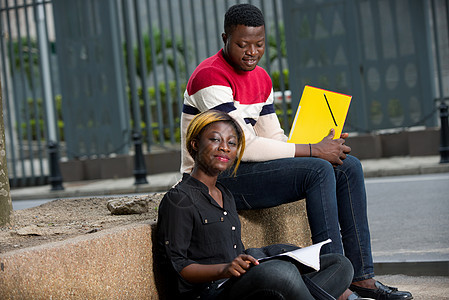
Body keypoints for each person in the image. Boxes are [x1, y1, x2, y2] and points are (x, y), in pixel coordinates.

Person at [179, 4, 413, 300]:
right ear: (224, 38)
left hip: (244, 171)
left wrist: (322, 144)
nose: (252, 52)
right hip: (214, 179)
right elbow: (244, 146)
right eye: (242, 44)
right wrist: (314, 152)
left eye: (259, 44)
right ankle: (336, 286)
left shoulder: (261, 78)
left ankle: (362, 278)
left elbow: (272, 137)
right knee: (317, 169)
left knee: (348, 165)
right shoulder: (210, 77)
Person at [157, 109, 354, 299]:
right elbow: (179, 266)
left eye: (232, 143)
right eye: (215, 139)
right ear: (194, 145)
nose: (225, 147)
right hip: (212, 291)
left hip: (242, 284)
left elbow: (234, 251)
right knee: (280, 273)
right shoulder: (179, 199)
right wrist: (224, 269)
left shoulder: (225, 194)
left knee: (340, 264)